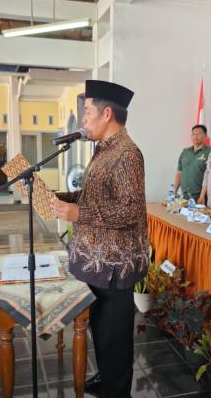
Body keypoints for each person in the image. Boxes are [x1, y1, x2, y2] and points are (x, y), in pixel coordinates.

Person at [52, 80, 148, 398]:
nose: (83, 119)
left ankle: (116, 389)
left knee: (114, 336)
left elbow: (129, 210)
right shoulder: (103, 149)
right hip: (97, 261)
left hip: (114, 266)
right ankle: (107, 378)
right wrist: (60, 199)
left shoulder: (127, 153)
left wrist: (78, 213)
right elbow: (94, 197)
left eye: (87, 112)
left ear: (107, 114)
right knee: (101, 330)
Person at [174, 124, 211, 201]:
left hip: (202, 196)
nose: (196, 136)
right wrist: (174, 191)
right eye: (193, 134)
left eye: (199, 133)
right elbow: (179, 173)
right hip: (185, 196)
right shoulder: (185, 152)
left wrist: (202, 195)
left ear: (205, 136)